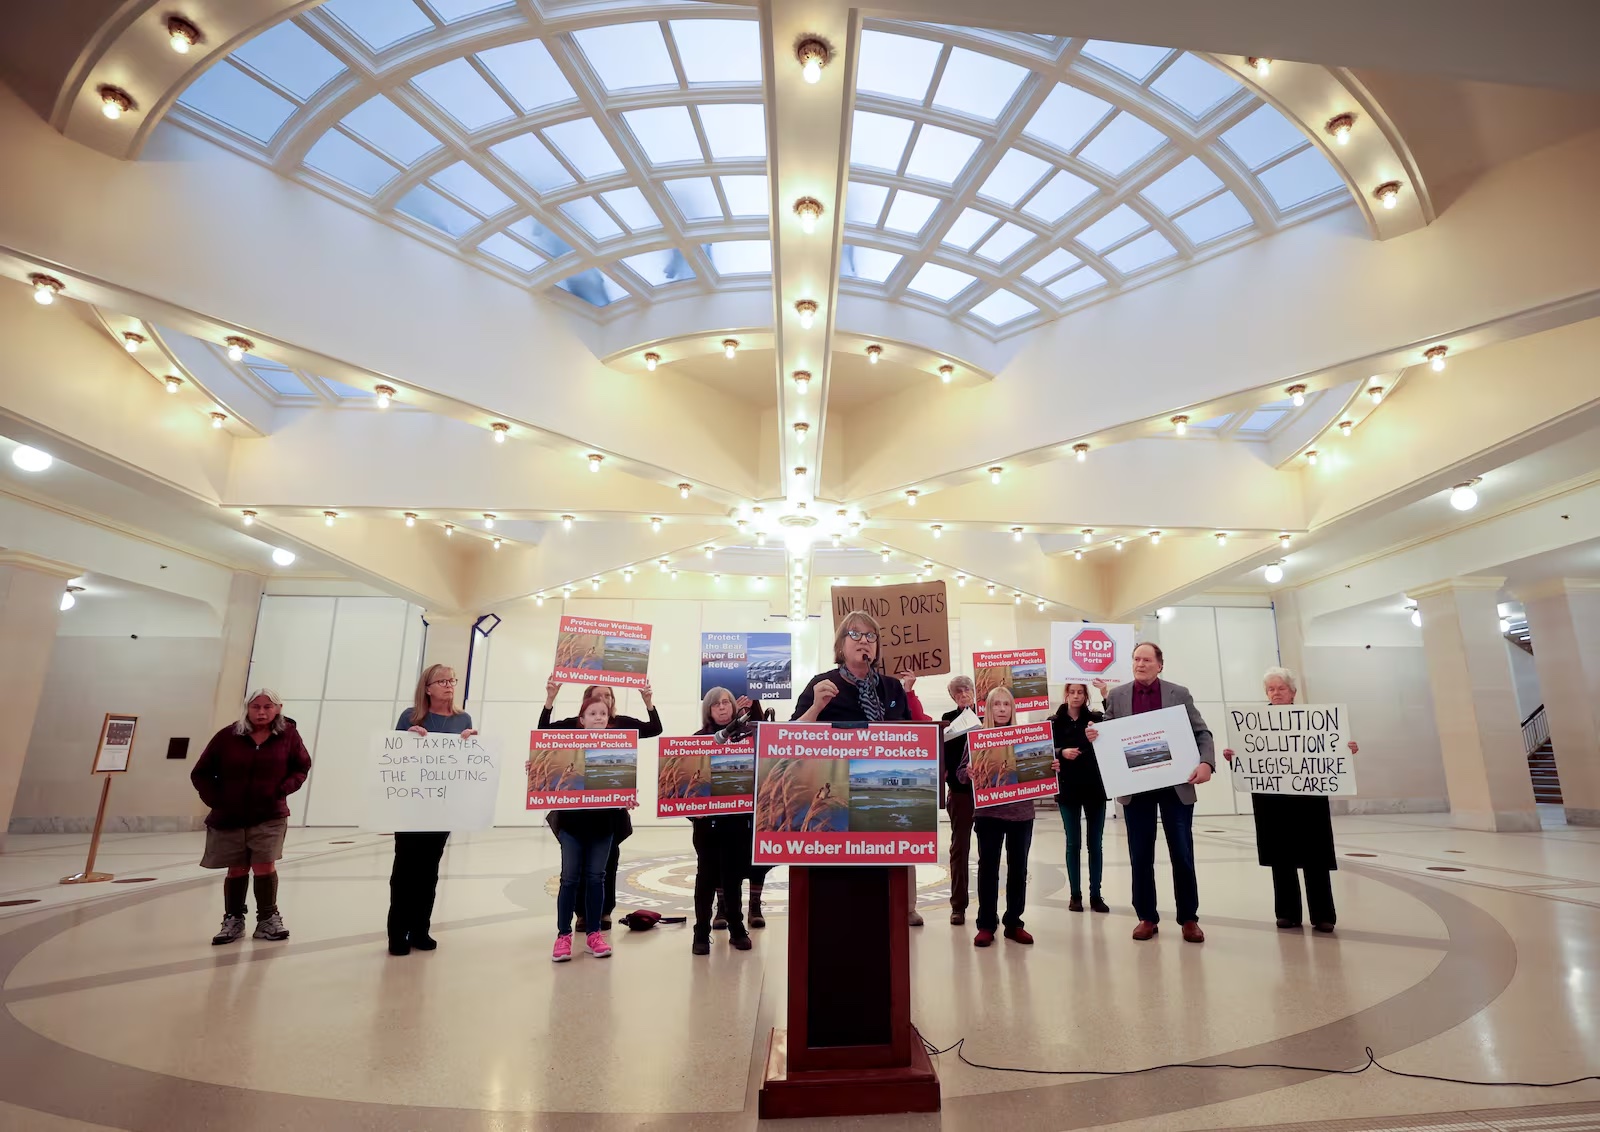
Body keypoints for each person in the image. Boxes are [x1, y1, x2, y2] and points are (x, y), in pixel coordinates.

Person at [1088, 642, 1215, 943]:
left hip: (1176, 785)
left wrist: (1207, 762)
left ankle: (1189, 918)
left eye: (1146, 659)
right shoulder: (1118, 696)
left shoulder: (1178, 693)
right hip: (1136, 788)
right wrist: (1096, 734)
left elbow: (1202, 732)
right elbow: (1109, 734)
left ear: (1160, 664)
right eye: (1135, 659)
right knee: (1140, 854)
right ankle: (1146, 917)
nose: (1140, 664)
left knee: (1182, 853)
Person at [1222, 667, 1356, 933]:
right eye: (1271, 689)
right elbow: (1249, 756)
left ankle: (1323, 915)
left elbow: (1332, 749)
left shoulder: (1313, 719)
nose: (1275, 693)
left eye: (1280, 688)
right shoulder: (1255, 721)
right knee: (1280, 854)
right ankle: (1287, 913)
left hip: (1308, 798)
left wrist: (1346, 748)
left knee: (1315, 855)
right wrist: (1234, 756)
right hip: (1272, 799)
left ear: (1293, 692)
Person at [191, 689, 311, 945]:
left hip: (269, 813)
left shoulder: (287, 736)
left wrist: (282, 789)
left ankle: (268, 918)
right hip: (230, 815)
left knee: (264, 864)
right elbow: (200, 772)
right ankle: (233, 919)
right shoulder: (228, 736)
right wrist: (217, 800)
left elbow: (301, 766)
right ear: (247, 708)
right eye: (256, 706)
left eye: (268, 706)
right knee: (236, 867)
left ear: (278, 708)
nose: (261, 712)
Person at [541, 677, 660, 931]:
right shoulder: (573, 728)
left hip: (609, 815)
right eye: (597, 698)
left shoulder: (621, 727)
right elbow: (543, 736)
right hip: (575, 817)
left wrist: (648, 702)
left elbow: (654, 729)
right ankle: (581, 915)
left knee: (605, 865)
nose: (602, 702)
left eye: (607, 697)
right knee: (575, 872)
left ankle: (603, 912)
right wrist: (550, 700)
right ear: (584, 710)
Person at [388, 663, 477, 956]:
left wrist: (472, 746)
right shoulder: (410, 716)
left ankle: (420, 930)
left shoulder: (462, 718)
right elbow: (394, 759)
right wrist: (406, 740)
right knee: (404, 871)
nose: (449, 685)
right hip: (411, 807)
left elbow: (465, 765)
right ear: (427, 688)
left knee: (429, 872)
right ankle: (397, 933)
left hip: (442, 809)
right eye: (441, 681)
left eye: (452, 680)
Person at [546, 693, 636, 962]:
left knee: (597, 878)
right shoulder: (565, 748)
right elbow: (547, 772)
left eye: (603, 714)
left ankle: (594, 935)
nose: (598, 717)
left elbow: (623, 784)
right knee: (570, 879)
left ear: (609, 721)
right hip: (572, 825)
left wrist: (627, 796)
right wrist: (536, 768)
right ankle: (563, 936)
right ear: (581, 720)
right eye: (593, 713)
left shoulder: (619, 749)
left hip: (604, 823)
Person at [957, 686, 1035, 947]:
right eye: (996, 705)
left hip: (1021, 813)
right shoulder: (978, 737)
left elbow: (1038, 769)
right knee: (988, 869)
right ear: (988, 709)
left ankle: (1014, 922)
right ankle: (986, 925)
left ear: (1013, 708)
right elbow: (959, 774)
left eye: (1006, 705)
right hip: (989, 813)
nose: (1002, 709)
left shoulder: (1026, 736)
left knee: (1018, 870)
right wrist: (967, 772)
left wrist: (1050, 767)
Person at [692, 687, 756, 955]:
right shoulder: (697, 739)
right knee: (705, 878)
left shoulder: (749, 737)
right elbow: (688, 783)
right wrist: (694, 812)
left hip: (737, 823)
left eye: (726, 703)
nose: (721, 707)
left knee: (732, 878)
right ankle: (701, 934)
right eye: (716, 704)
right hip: (707, 825)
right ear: (708, 709)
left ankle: (737, 929)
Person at [792, 612, 911, 724]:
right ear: (840, 645)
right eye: (855, 634)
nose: (864, 640)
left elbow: (912, 734)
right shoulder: (821, 684)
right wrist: (815, 708)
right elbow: (790, 735)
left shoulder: (893, 687)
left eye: (870, 635)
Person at [1052, 682, 1109, 914]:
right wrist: (1061, 752)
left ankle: (1096, 894)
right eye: (1072, 692)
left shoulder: (1096, 718)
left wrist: (1106, 695)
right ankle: (1075, 895)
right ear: (1065, 694)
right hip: (1068, 788)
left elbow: (1116, 726)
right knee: (1072, 842)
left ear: (1086, 695)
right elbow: (1043, 749)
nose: (1075, 696)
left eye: (1080, 692)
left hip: (1095, 786)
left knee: (1095, 843)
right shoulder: (1053, 722)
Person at [941, 675, 978, 925]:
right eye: (958, 691)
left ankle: (988, 907)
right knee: (959, 849)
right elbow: (943, 755)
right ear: (952, 696)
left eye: (967, 689)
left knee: (990, 850)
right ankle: (958, 906)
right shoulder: (947, 720)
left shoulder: (988, 715)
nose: (963, 694)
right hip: (960, 792)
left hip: (988, 793)